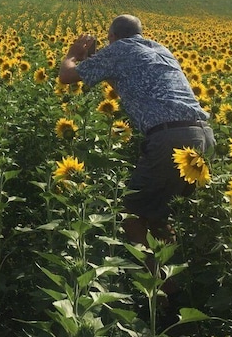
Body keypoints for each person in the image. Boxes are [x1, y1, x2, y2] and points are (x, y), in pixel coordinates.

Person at [58, 14, 215, 247]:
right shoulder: (159, 49)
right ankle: (172, 274)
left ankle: (154, 280)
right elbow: (126, 83)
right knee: (158, 212)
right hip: (202, 136)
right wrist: (96, 59)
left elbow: (66, 76)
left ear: (112, 36)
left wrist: (72, 55)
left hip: (169, 139)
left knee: (131, 214)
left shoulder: (119, 49)